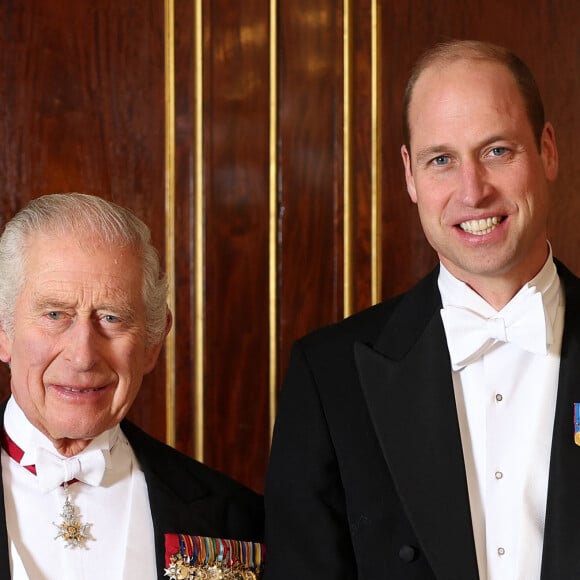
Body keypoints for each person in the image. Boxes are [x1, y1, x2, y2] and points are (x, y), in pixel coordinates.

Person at [264, 39, 580, 579]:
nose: (472, 191)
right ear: (410, 175)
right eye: (442, 160)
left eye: (497, 151)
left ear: (547, 150)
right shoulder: (329, 376)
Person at [0, 193, 264, 579]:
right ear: (4, 331)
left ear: (153, 343)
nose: (83, 355)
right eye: (55, 314)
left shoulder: (236, 519)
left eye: (111, 318)